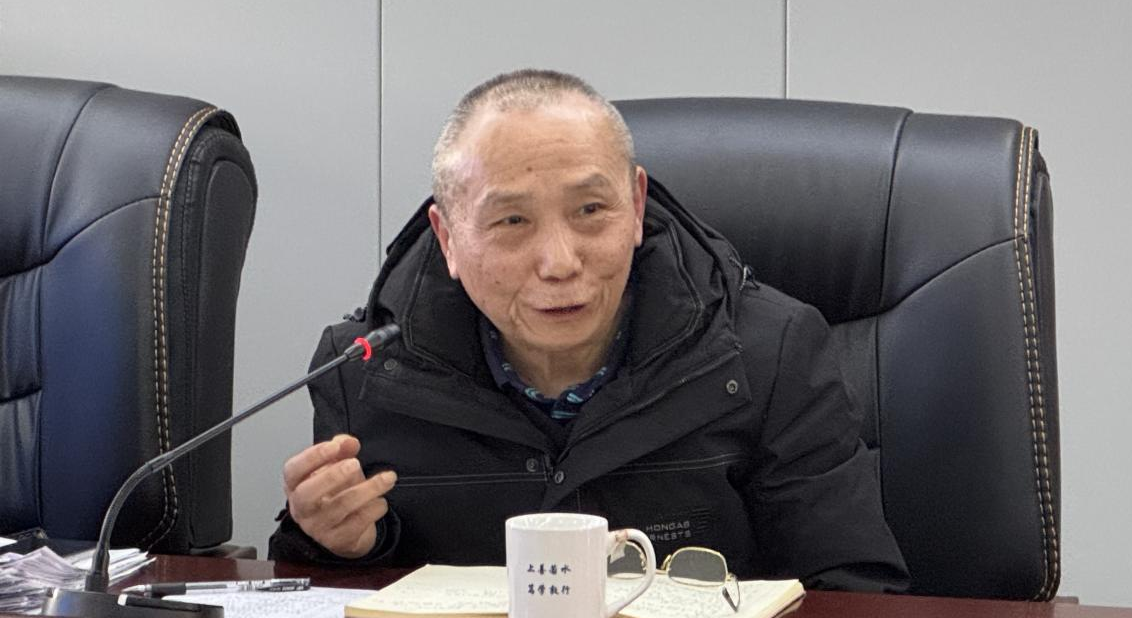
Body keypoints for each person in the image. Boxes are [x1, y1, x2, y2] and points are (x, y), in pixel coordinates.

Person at [269, 69, 908, 591]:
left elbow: (855, 597)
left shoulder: (771, 352)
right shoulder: (364, 373)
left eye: (591, 210)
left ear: (636, 206)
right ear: (448, 238)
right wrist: (330, 543)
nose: (559, 263)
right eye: (512, 222)